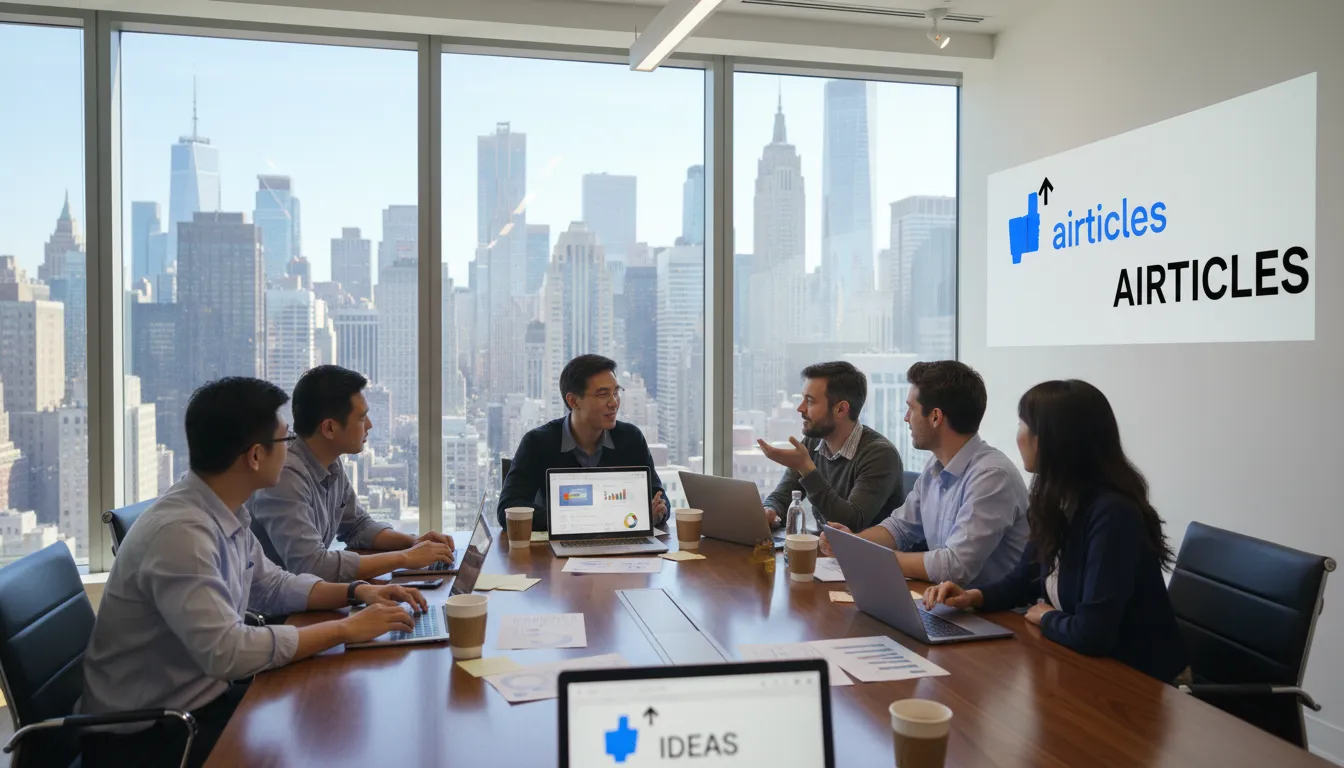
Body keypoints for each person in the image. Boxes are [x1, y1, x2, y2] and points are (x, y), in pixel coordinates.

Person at [79, 377, 427, 768]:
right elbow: (228, 653)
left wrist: (357, 593)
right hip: (149, 737)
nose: (293, 448)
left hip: (201, 703)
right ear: (255, 456)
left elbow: (272, 585)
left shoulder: (223, 509)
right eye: (285, 440)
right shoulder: (181, 535)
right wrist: (347, 629)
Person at [923, 380, 1189, 683]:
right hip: (1087, 667)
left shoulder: (1113, 514)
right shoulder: (1056, 500)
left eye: (1024, 425)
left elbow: (1093, 633)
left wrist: (1047, 616)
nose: (1019, 435)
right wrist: (973, 597)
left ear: (1053, 440)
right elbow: (1025, 580)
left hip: (1143, 682)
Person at [820, 361, 1029, 588]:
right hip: (948, 603)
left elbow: (955, 566)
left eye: (911, 408)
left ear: (935, 417)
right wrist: (852, 544)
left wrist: (877, 559)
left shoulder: (992, 477)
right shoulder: (935, 466)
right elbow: (900, 528)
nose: (906, 417)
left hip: (997, 617)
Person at [249, 365, 455, 581]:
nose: (370, 425)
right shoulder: (285, 477)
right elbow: (312, 566)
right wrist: (404, 558)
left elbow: (358, 526)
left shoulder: (330, 461)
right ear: (329, 428)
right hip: (278, 611)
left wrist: (412, 542)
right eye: (361, 418)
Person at [498, 354, 667, 531]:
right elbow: (508, 509)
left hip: (620, 547)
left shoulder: (630, 438)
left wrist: (657, 512)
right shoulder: (537, 443)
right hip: (555, 553)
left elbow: (659, 497)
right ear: (573, 401)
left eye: (616, 392)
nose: (614, 402)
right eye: (603, 394)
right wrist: (584, 520)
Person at [758, 361, 904, 531]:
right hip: (826, 552)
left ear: (841, 410)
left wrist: (807, 469)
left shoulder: (880, 455)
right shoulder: (813, 442)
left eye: (810, 401)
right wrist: (769, 510)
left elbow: (850, 524)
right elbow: (781, 497)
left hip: (866, 555)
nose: (800, 408)